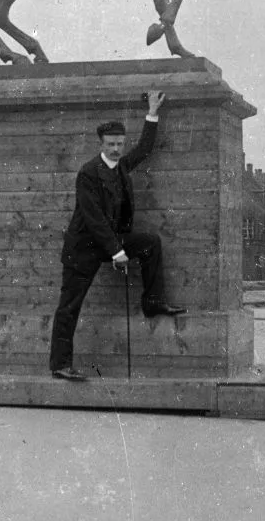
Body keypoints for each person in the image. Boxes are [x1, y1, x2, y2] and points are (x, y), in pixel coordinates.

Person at [49, 91, 185, 380]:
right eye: (110, 144)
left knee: (149, 243)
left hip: (109, 244)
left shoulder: (122, 165)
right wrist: (117, 252)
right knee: (69, 307)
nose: (115, 149)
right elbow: (94, 218)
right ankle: (60, 365)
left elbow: (145, 148)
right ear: (101, 145)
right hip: (83, 249)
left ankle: (152, 301)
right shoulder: (88, 173)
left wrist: (152, 111)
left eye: (119, 144)